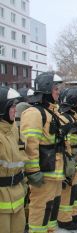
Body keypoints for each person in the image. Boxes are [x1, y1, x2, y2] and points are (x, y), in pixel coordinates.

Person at [21, 72, 65, 233]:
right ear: (46, 90)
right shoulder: (34, 113)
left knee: (52, 207)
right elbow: (30, 145)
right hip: (43, 173)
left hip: (55, 171)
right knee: (40, 208)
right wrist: (33, 171)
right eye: (55, 88)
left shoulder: (52, 112)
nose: (58, 92)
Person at [57, 88, 77, 230]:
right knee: (68, 190)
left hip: (76, 157)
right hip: (69, 158)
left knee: (76, 188)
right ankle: (64, 219)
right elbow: (66, 140)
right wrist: (76, 135)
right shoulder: (63, 117)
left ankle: (74, 214)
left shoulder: (73, 116)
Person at [0, 87, 27, 233]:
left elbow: (20, 156)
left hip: (17, 195)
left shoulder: (13, 130)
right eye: (11, 106)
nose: (15, 110)